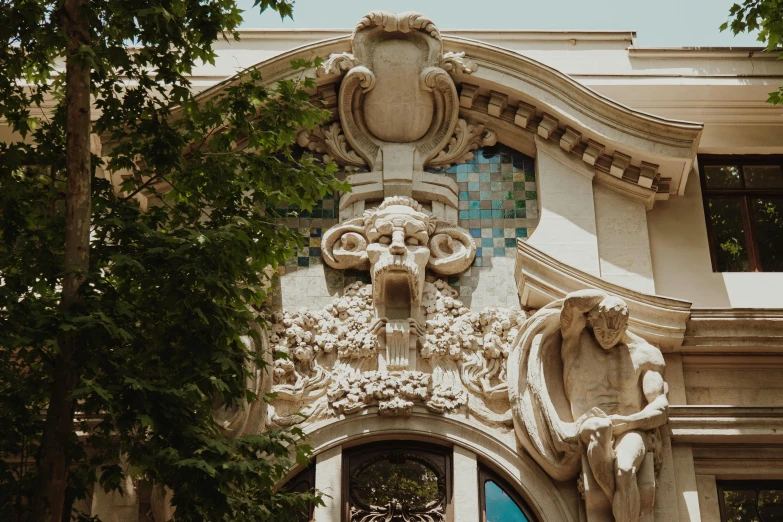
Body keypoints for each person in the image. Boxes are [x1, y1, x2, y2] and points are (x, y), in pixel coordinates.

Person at [560, 289, 669, 522]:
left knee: (626, 469)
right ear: (590, 322)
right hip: (590, 422)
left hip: (631, 427)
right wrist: (606, 299)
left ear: (625, 325)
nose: (606, 337)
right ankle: (619, 500)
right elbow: (571, 303)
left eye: (614, 331)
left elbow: (660, 407)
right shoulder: (574, 343)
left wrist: (627, 422)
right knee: (600, 426)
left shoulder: (646, 354)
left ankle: (621, 506)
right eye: (600, 330)